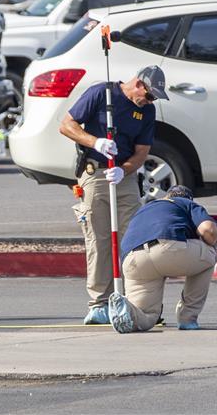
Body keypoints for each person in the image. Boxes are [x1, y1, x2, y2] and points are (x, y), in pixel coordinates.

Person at [59, 65, 169, 324]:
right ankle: (100, 303)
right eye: (150, 95)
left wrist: (123, 170)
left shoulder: (147, 111)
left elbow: (141, 152)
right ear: (139, 84)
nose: (150, 101)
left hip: (123, 177)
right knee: (98, 241)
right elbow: (66, 125)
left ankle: (137, 300)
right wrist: (94, 141)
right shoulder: (102, 94)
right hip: (95, 172)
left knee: (134, 238)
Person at [107, 185, 217, 333]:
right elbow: (208, 230)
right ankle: (187, 318)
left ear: (167, 196)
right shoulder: (187, 204)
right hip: (166, 247)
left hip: (132, 258)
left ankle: (128, 312)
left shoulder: (145, 208)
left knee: (148, 315)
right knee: (209, 255)